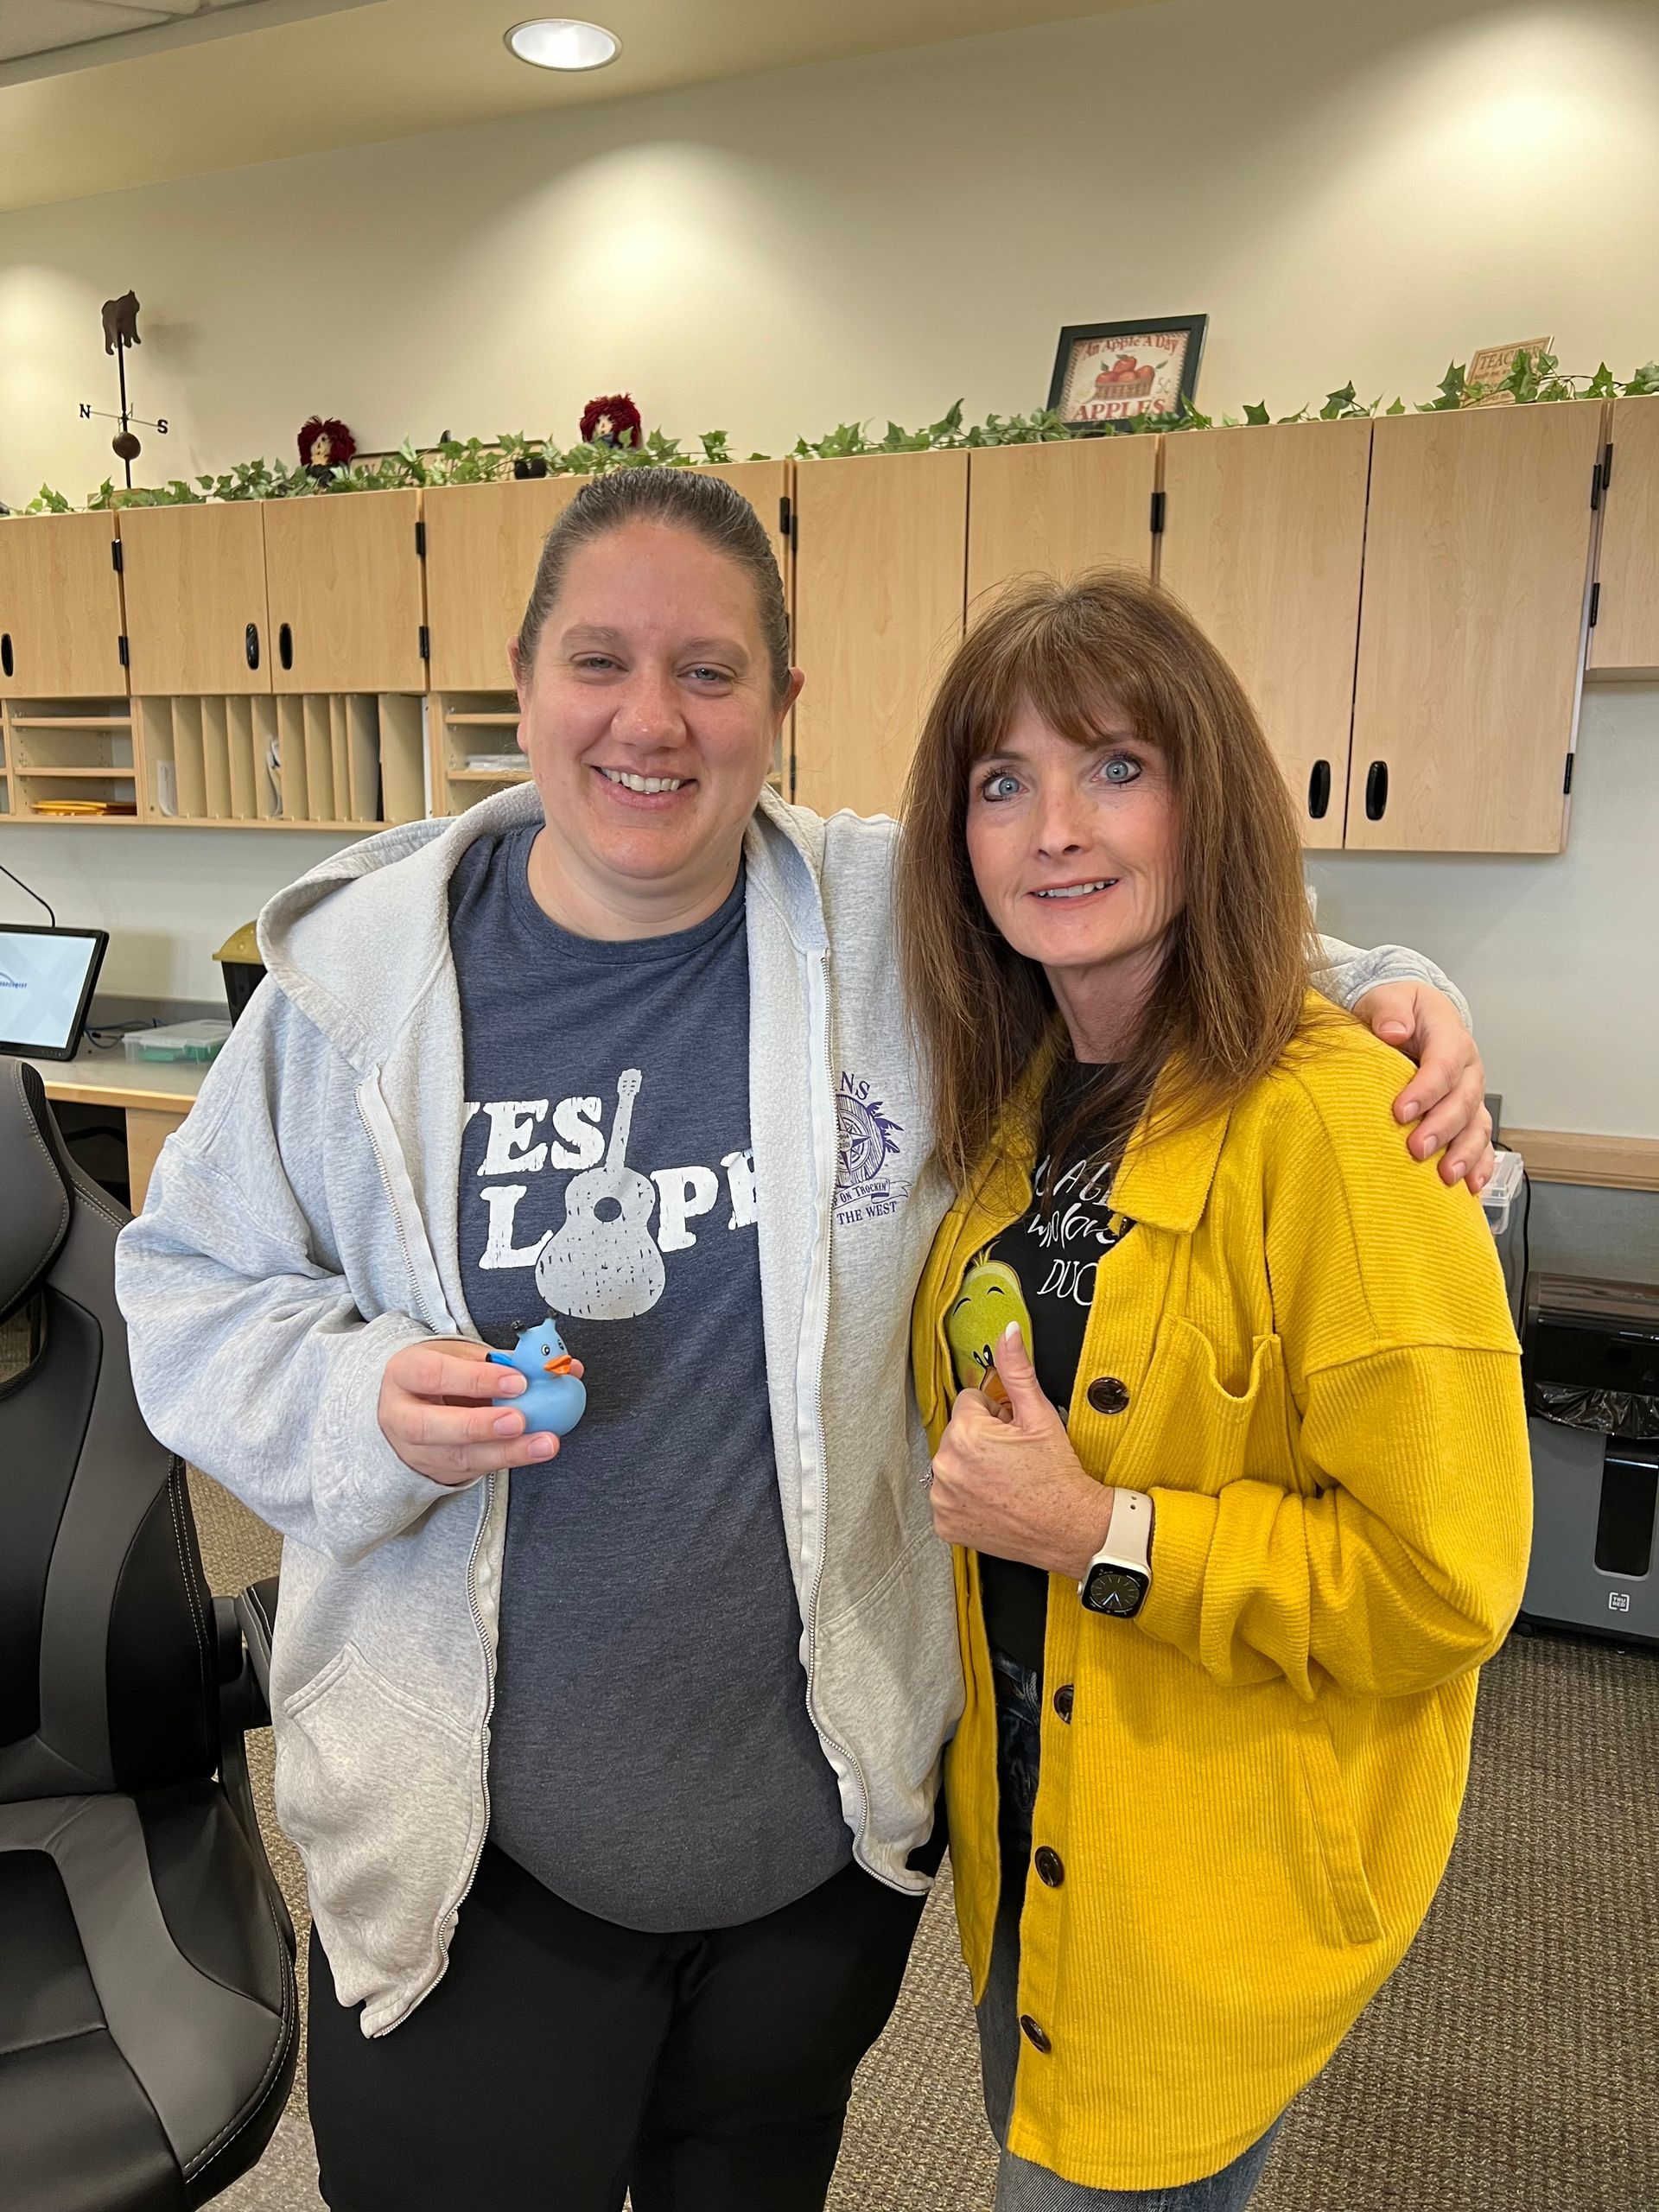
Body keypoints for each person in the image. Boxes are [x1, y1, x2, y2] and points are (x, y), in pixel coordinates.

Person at [117, 469, 1496, 2212]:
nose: (650, 716)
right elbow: (183, 1281)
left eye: (710, 669)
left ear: (782, 705)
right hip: (474, 1862)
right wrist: (349, 1390)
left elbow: (1136, 910)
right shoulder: (359, 983)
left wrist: (1403, 984)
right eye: (599, 660)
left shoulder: (881, 920)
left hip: (810, 1847)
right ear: (523, 682)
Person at [900, 569, 1533, 2211]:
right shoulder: (1021, 1092)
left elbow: (1446, 1580)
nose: (1057, 826)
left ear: (1210, 796)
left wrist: (1102, 1528)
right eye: (1002, 781)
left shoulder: (1345, 1126)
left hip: (1203, 1900)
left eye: (1117, 765)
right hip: (1032, 1855)